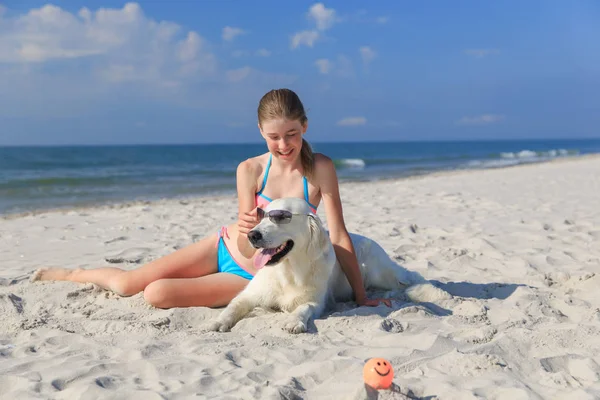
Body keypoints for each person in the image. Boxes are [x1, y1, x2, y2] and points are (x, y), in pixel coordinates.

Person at [32, 88, 392, 309]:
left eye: (291, 134)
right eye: (273, 137)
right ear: (260, 133)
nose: (283, 145)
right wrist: (247, 229)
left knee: (156, 294)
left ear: (305, 127)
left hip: (256, 276)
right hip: (225, 247)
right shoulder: (249, 169)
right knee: (128, 284)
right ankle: (72, 274)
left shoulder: (320, 169)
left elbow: (339, 236)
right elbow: (246, 245)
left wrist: (361, 297)